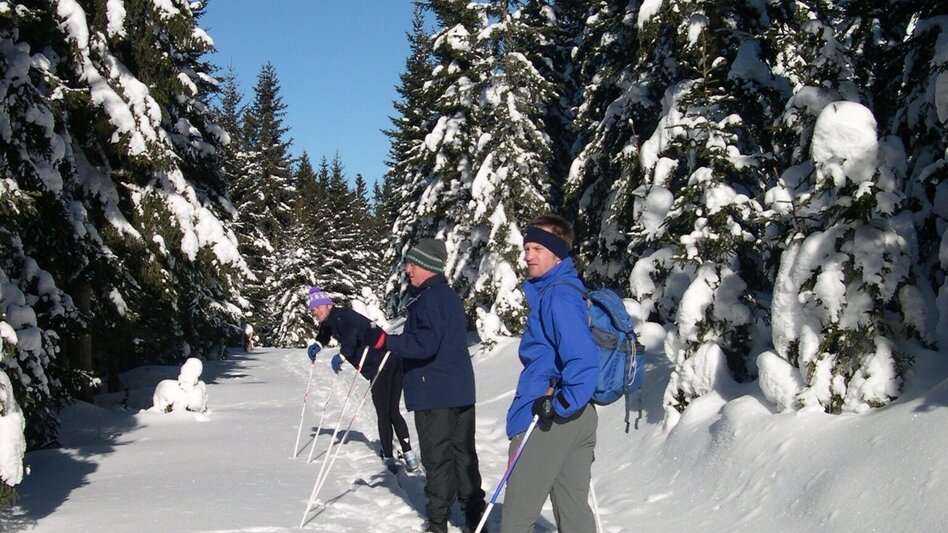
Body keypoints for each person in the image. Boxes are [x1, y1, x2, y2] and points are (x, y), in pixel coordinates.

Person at [375, 239, 488, 533]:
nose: (407, 269)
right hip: (458, 390)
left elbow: (425, 343)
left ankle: (438, 523)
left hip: (434, 392)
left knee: (438, 459)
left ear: (428, 266)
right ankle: (476, 518)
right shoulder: (443, 296)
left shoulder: (431, 298)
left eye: (413, 264)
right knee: (463, 455)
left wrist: (387, 342)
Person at [501, 215, 600, 533]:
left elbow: (584, 360)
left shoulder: (558, 296)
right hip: (576, 416)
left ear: (557, 252)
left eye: (537, 248)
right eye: (526, 247)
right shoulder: (565, 291)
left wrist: (558, 404)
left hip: (548, 416)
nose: (528, 255)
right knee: (574, 515)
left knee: (516, 517)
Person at [306, 286, 419, 473]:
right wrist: (318, 343)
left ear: (327, 305)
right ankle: (409, 455)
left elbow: (352, 336)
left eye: (317, 308)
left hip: (380, 363)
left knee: (384, 412)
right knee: (392, 410)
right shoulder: (335, 317)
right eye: (312, 310)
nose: (315, 312)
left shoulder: (341, 318)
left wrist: (342, 356)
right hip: (392, 358)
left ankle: (390, 458)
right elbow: (326, 331)